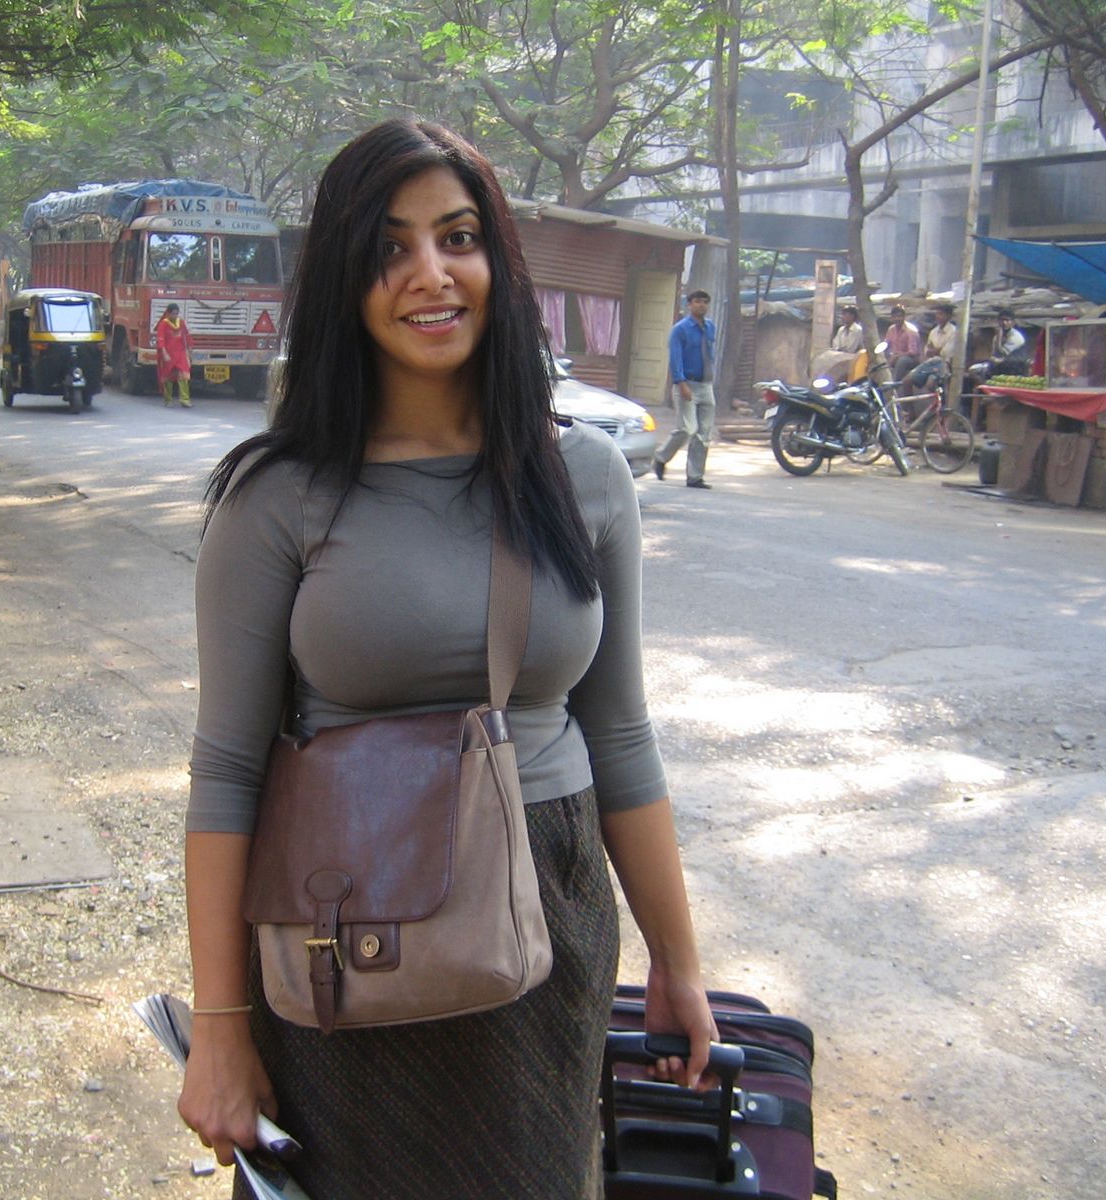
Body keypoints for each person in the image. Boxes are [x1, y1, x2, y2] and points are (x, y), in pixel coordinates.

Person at [178, 120, 718, 1199]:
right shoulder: (276, 497)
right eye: (389, 248)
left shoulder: (585, 476)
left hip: (547, 925)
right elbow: (228, 771)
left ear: (496, 263)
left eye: (457, 237)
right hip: (349, 930)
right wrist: (222, 1026)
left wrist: (678, 959)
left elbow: (620, 734)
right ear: (345, 282)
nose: (430, 273)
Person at [652, 289, 717, 488]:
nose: (701, 305)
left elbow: (710, 355)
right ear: (689, 304)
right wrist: (681, 383)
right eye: (697, 301)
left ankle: (695, 476)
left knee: (704, 434)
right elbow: (675, 358)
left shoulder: (710, 327)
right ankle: (661, 457)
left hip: (705, 385)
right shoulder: (680, 329)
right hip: (687, 384)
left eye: (705, 302)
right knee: (688, 428)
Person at [965, 308, 1029, 392]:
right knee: (973, 371)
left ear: (1012, 323)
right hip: (1000, 365)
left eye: (1007, 320)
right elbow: (994, 354)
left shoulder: (1016, 336)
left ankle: (989, 390)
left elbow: (1002, 352)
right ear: (998, 321)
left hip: (1015, 366)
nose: (1004, 323)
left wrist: (999, 339)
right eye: (1002, 320)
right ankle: (985, 389)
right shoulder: (998, 336)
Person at [901, 303, 958, 393]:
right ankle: (907, 403)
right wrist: (937, 349)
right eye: (937, 313)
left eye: (941, 314)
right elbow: (927, 351)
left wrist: (935, 350)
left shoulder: (953, 331)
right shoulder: (934, 331)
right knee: (907, 380)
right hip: (931, 362)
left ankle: (941, 400)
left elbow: (946, 352)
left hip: (945, 364)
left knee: (930, 384)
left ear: (949, 316)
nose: (938, 316)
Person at [810, 304, 864, 384]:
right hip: (841, 359)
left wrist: (840, 349)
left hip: (854, 361)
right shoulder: (841, 329)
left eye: (845, 314)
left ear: (852, 316)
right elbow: (836, 344)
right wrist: (838, 349)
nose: (842, 317)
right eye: (842, 314)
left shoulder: (857, 330)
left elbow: (850, 348)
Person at [154, 303, 195, 407]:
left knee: (184, 375)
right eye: (173, 314)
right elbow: (161, 340)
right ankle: (168, 399)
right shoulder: (163, 324)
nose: (175, 316)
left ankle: (185, 399)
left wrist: (189, 349)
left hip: (180, 353)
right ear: (168, 313)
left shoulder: (181, 322)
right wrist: (164, 353)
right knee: (167, 377)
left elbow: (186, 336)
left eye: (176, 313)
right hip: (169, 353)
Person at [883, 303, 923, 384]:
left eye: (899, 316)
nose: (897, 319)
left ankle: (894, 384)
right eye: (895, 317)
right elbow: (886, 343)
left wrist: (898, 355)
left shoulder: (911, 330)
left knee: (902, 361)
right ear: (892, 318)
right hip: (895, 357)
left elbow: (913, 352)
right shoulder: (891, 329)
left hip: (911, 359)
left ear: (904, 317)